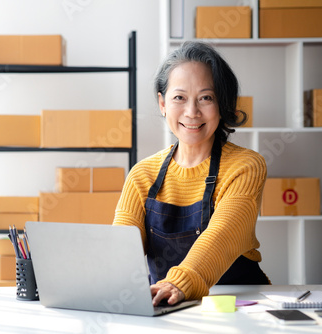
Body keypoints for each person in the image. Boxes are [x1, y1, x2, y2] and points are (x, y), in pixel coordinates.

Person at [113, 41, 270, 307]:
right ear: (162, 103)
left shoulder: (246, 166)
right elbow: (120, 251)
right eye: (179, 98)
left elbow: (222, 235)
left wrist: (179, 282)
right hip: (168, 305)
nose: (192, 112)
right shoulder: (143, 174)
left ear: (223, 104)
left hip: (237, 307)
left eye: (206, 98)